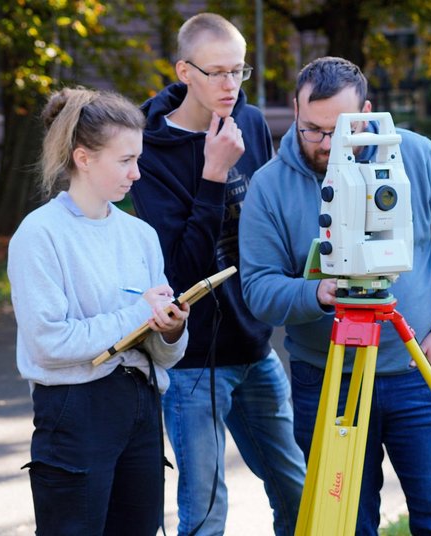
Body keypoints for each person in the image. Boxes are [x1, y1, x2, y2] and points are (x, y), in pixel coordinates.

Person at [239, 57, 431, 534]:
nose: (327, 144)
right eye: (313, 130)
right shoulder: (270, 187)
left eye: (340, 130)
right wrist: (321, 292)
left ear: (368, 112)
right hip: (329, 382)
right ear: (295, 109)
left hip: (421, 371)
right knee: (342, 527)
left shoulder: (415, 156)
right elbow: (259, 290)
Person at [130, 12, 305, 536]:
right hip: (193, 365)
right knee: (205, 515)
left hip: (254, 346)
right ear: (185, 71)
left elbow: (270, 225)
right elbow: (180, 268)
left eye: (239, 71)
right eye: (217, 73)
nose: (230, 85)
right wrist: (212, 174)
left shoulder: (247, 122)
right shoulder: (148, 150)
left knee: (298, 490)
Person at [7, 87, 190, 535]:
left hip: (142, 406)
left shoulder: (140, 234)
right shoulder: (39, 235)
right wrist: (138, 313)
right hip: (75, 411)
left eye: (138, 159)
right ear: (83, 158)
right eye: (125, 160)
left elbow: (164, 352)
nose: (137, 174)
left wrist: (169, 330)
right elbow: (49, 342)